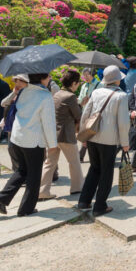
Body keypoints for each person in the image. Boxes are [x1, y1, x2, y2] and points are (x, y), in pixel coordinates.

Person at [0, 71, 58, 217]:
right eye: (48, 76)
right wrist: (52, 143)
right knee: (34, 176)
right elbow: (48, 122)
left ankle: (1, 198)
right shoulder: (44, 95)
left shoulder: (24, 91)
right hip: (33, 140)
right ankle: (26, 208)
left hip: (18, 137)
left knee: (22, 170)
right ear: (42, 78)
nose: (50, 79)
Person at [76, 66, 134, 216]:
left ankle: (84, 201)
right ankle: (100, 205)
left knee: (94, 169)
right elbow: (123, 122)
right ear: (116, 79)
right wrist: (125, 142)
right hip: (109, 139)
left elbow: (85, 114)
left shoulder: (96, 92)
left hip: (93, 136)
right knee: (106, 173)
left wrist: (84, 136)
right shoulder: (121, 96)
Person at [39, 69, 84, 200]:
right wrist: (82, 104)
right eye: (78, 83)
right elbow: (78, 115)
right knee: (74, 162)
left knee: (49, 163)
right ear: (74, 83)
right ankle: (77, 188)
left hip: (53, 134)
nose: (78, 85)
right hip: (66, 134)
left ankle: (43, 190)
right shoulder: (70, 96)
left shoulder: (57, 93)